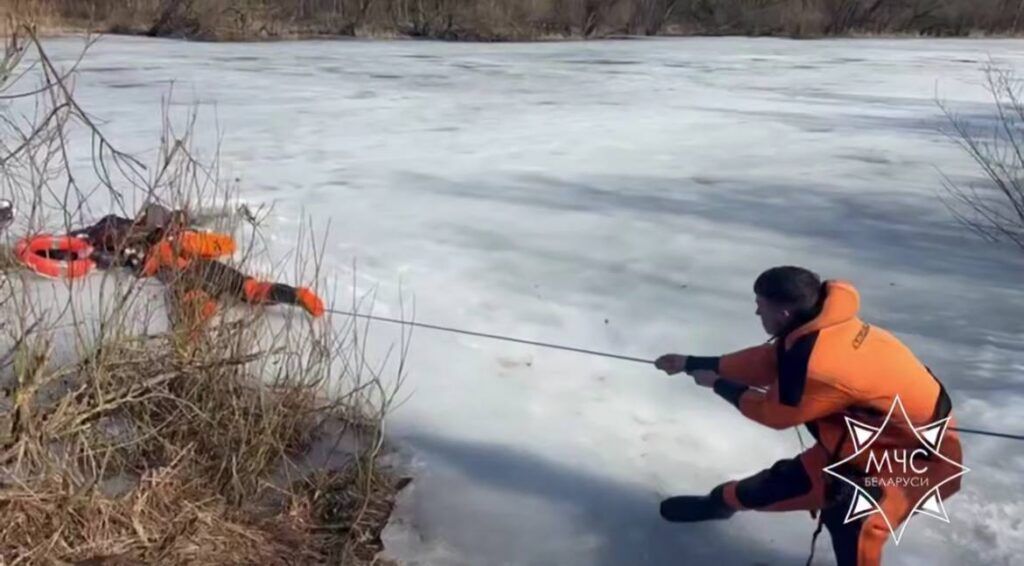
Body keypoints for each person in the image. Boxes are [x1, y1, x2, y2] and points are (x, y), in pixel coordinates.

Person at [654, 266, 963, 566]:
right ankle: (717, 505)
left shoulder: (819, 363)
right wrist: (693, 362)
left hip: (922, 461)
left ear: (783, 313)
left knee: (851, 516)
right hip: (861, 447)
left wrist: (721, 385)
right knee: (766, 488)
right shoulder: (825, 325)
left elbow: (775, 414)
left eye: (760, 306)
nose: (757, 313)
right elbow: (770, 362)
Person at [69, 204, 325, 319]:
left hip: (198, 271)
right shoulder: (140, 245)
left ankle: (295, 295)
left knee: (246, 291)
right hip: (190, 277)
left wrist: (188, 242)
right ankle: (296, 295)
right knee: (203, 301)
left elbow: (227, 245)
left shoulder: (186, 240)